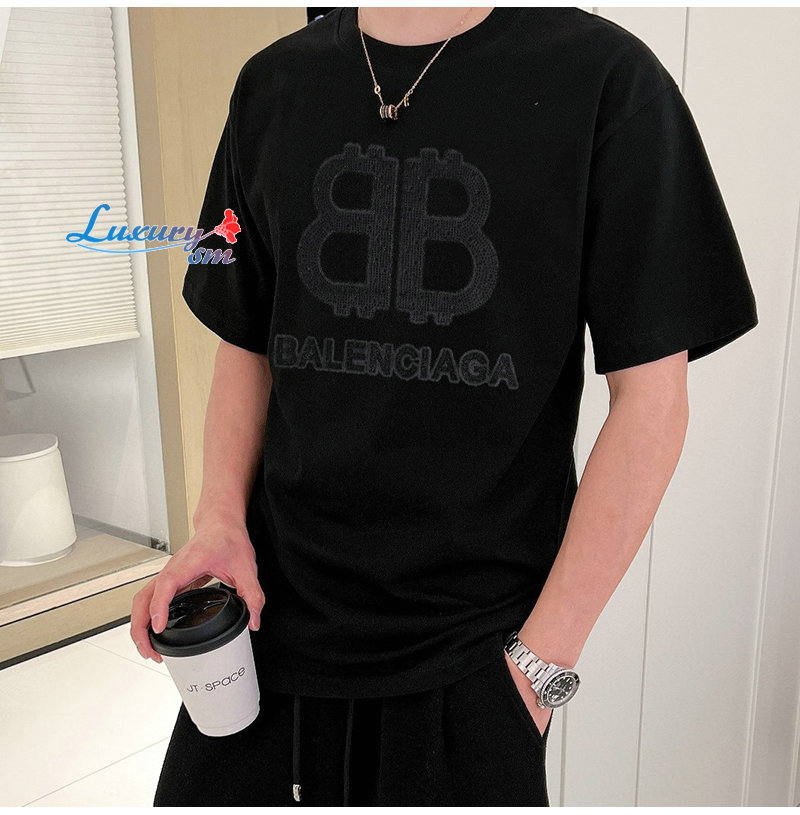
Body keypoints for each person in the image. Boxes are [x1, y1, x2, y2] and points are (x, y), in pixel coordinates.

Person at [130, 6, 759, 806]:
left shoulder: (608, 81)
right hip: (261, 628)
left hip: (470, 665)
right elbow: (247, 339)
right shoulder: (271, 83)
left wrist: (535, 670)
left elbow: (653, 402)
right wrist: (217, 522)